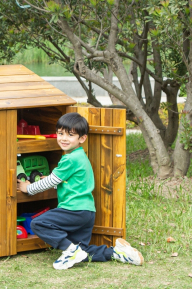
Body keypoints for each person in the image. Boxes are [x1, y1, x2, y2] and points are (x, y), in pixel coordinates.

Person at [17, 112, 144, 270]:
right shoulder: (80, 156)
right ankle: (118, 253)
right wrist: (56, 182)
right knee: (83, 251)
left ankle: (70, 251)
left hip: (73, 209)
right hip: (86, 212)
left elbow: (50, 181)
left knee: (39, 223)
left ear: (81, 138)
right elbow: (73, 183)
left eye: (70, 135)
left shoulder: (69, 159)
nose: (64, 138)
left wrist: (27, 188)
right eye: (60, 133)